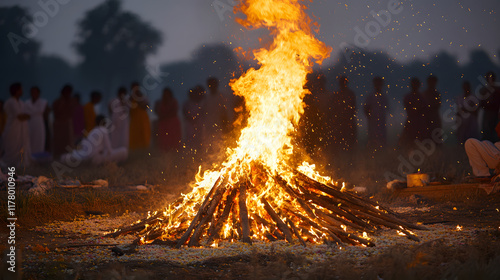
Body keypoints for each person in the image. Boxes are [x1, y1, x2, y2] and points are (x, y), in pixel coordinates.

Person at [61, 115, 128, 166]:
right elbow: (109, 150)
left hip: (89, 157)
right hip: (97, 159)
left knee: (75, 157)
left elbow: (85, 148)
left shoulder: (92, 131)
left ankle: (65, 158)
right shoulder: (103, 130)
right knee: (124, 151)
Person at [1, 83, 31, 167]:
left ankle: (19, 164)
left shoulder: (21, 102)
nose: (22, 91)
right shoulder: (10, 102)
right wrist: (26, 116)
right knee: (12, 147)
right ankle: (6, 164)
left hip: (21, 129)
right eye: (20, 89)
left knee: (20, 147)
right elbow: (20, 116)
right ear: (16, 91)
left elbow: (26, 115)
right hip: (12, 128)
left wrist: (26, 116)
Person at [331, 75, 357, 152]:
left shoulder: (350, 94)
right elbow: (334, 109)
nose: (342, 84)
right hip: (339, 122)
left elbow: (353, 108)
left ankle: (349, 162)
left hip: (348, 122)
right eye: (341, 82)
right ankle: (340, 162)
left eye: (343, 82)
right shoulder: (337, 95)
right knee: (339, 146)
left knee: (349, 146)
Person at [400, 78, 427, 150]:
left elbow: (424, 108)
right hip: (412, 121)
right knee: (409, 141)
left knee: (419, 141)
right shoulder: (408, 96)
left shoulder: (421, 96)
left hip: (419, 121)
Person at [364, 77, 389, 151]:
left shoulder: (383, 96)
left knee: (381, 139)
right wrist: (370, 118)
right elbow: (366, 108)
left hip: (381, 121)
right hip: (373, 122)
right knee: (373, 139)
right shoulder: (371, 96)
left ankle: (380, 155)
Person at [25, 86, 49, 154]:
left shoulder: (43, 102)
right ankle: (30, 156)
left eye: (35, 92)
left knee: (39, 140)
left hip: (39, 123)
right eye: (32, 92)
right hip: (29, 123)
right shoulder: (27, 102)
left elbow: (45, 114)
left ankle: (38, 157)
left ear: (39, 93)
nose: (34, 93)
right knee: (30, 139)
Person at [53, 84, 75, 158]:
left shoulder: (71, 101)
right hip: (59, 125)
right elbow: (56, 113)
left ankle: (67, 156)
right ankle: (58, 156)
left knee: (68, 142)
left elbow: (71, 112)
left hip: (67, 125)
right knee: (59, 142)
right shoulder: (57, 102)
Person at [204, 77, 229, 142]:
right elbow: (203, 112)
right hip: (209, 125)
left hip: (219, 124)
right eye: (210, 85)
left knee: (220, 142)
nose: (212, 86)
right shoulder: (206, 98)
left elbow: (224, 111)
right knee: (209, 142)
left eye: (213, 84)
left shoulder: (221, 96)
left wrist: (225, 124)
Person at [129, 82, 151, 150]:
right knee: (134, 134)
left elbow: (146, 106)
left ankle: (144, 148)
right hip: (134, 119)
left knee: (143, 132)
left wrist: (138, 100)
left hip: (142, 118)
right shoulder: (130, 98)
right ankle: (134, 149)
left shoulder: (143, 96)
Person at [480, 71, 500, 142]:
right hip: (487, 112)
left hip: (495, 112)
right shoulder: (484, 90)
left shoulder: (497, 89)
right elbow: (481, 102)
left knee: (495, 130)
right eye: (489, 78)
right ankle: (487, 145)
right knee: (486, 129)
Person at [422, 75, 442, 141]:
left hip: (434, 118)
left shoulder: (436, 94)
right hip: (426, 118)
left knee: (436, 136)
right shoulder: (425, 93)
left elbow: (438, 105)